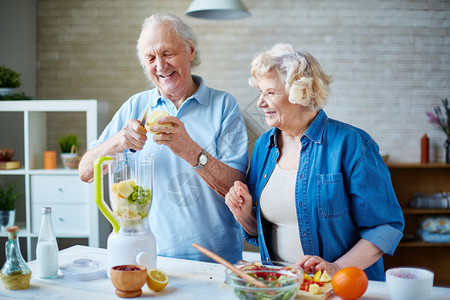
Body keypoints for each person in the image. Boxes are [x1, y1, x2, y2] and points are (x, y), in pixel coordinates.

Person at [224, 43, 404, 281]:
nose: (260, 103)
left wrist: (336, 269)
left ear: (300, 93)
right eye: (260, 92)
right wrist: (243, 214)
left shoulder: (352, 144)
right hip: (282, 286)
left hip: (343, 289)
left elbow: (385, 227)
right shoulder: (263, 147)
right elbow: (262, 230)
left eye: (270, 93)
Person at [79, 13, 248, 264]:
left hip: (217, 260)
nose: (160, 65)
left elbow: (238, 189)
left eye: (167, 53)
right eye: (150, 58)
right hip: (148, 257)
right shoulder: (135, 106)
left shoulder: (224, 106)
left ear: (190, 50)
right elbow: (85, 171)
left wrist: (190, 151)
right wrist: (120, 141)